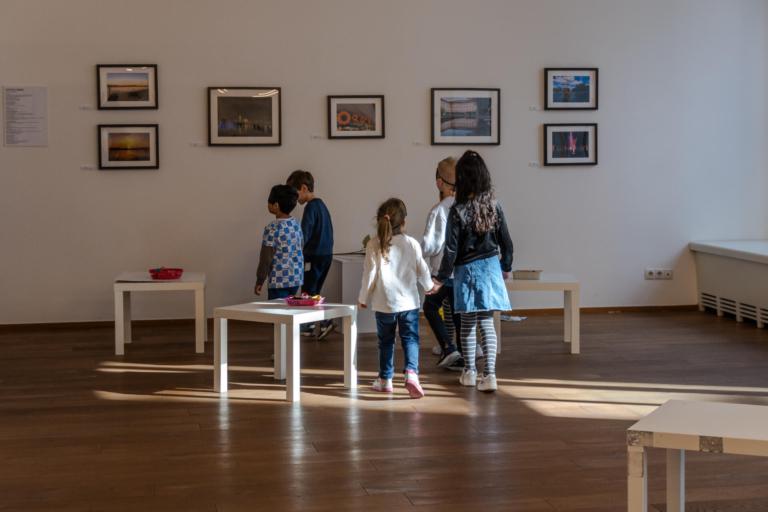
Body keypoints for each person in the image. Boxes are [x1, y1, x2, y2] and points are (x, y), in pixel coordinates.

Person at [431, 151, 513, 392]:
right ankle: (490, 376)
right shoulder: (494, 206)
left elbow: (450, 250)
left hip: (466, 271)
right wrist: (506, 266)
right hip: (490, 269)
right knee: (487, 323)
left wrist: (440, 278)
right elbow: (507, 242)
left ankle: (469, 372)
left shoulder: (457, 211)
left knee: (466, 325)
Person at [358, 198, 434, 398]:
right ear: (404, 222)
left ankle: (385, 380)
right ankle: (411, 374)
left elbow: (369, 274)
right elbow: (422, 270)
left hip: (384, 304)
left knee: (386, 341)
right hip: (409, 303)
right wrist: (429, 286)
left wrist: (363, 297)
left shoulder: (374, 244)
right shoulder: (412, 244)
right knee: (410, 338)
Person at [421, 157, 464, 371]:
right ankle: (465, 354)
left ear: (440, 182)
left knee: (429, 307)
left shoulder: (439, 211)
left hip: (442, 272)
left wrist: (416, 252)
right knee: (457, 313)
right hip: (462, 271)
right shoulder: (466, 207)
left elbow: (431, 245)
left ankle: (449, 348)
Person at [286, 170, 335, 339]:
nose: (294, 198)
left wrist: (294, 253)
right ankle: (312, 324)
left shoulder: (310, 208)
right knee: (314, 292)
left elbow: (303, 235)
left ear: (304, 188)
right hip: (326, 255)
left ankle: (321, 323)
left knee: (307, 292)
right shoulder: (322, 205)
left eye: (295, 193)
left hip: (313, 257)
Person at [254, 185, 304, 300]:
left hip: (279, 280)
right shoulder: (296, 224)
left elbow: (266, 259)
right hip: (296, 278)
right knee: (290, 312)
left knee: (277, 313)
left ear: (276, 205)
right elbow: (301, 247)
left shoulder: (272, 228)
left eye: (269, 202)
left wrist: (260, 280)